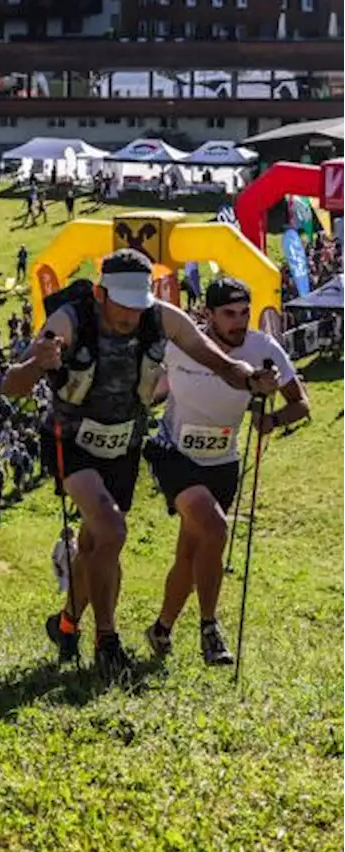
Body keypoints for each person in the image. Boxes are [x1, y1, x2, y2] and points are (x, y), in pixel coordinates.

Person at [1, 250, 278, 680]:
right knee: (112, 530)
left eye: (139, 303)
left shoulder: (162, 317)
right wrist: (38, 362)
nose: (131, 313)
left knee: (96, 544)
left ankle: (66, 623)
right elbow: (10, 386)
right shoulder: (70, 321)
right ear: (100, 293)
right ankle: (107, 643)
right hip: (71, 441)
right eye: (122, 302)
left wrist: (248, 379)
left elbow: (217, 360)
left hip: (124, 443)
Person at [143, 278, 308, 664]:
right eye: (228, 314)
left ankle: (161, 629)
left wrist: (272, 421)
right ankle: (209, 628)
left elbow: (301, 403)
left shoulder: (262, 348)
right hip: (174, 454)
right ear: (207, 314)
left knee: (192, 551)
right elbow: (144, 375)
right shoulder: (184, 344)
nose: (238, 322)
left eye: (244, 312)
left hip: (223, 460)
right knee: (216, 529)